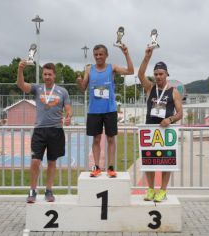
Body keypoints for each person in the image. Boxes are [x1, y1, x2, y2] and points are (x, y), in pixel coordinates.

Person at [17, 61, 72, 203]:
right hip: (39, 131)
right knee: (35, 161)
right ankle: (32, 190)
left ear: (54, 75)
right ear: (42, 75)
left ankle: (49, 190)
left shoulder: (62, 91)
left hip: (56, 131)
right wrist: (20, 69)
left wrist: (68, 116)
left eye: (50, 74)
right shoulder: (37, 89)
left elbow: (68, 108)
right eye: (45, 74)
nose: (47, 77)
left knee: (52, 162)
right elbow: (21, 85)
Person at [77, 44, 134, 178]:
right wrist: (79, 81)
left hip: (109, 110)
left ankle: (110, 168)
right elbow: (83, 88)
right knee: (96, 139)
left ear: (106, 55)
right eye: (96, 54)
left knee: (110, 139)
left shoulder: (112, 68)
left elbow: (130, 71)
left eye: (101, 54)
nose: (98, 57)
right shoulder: (89, 69)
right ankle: (96, 167)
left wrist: (126, 53)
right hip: (94, 111)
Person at [137, 47, 183, 202]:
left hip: (166, 129)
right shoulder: (150, 88)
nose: (158, 77)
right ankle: (150, 189)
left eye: (161, 74)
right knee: (149, 161)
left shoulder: (174, 91)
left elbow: (180, 114)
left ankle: (162, 190)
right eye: (156, 74)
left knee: (166, 162)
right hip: (150, 129)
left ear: (167, 74)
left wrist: (170, 120)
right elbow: (140, 74)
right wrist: (146, 57)